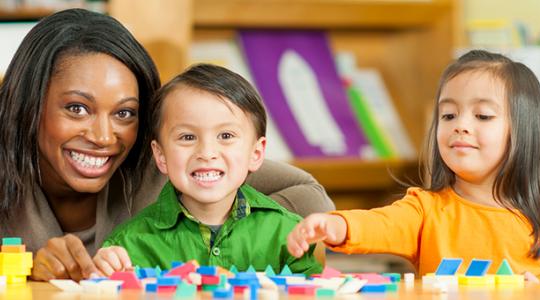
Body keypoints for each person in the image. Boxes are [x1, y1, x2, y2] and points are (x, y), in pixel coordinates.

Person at [0, 8, 334, 282]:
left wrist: (206, 244)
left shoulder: (169, 164)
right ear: (28, 102)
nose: (103, 137)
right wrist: (27, 268)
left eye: (125, 113)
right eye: (77, 109)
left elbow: (307, 195)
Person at [286, 50, 540, 297]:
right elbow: (379, 224)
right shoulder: (424, 209)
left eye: (483, 115)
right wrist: (334, 224)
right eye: (448, 114)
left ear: (523, 131)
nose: (460, 124)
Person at [93, 64, 322, 275]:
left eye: (226, 136)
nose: (206, 152)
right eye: (188, 137)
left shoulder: (291, 235)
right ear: (161, 156)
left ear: (256, 153)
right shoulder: (128, 245)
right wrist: (108, 278)